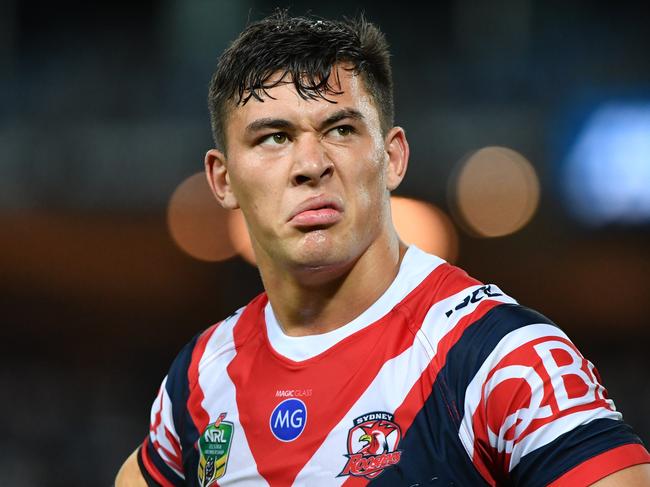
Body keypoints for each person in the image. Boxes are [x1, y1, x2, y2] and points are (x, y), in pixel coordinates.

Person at [116, 11, 650, 487]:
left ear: (392, 158)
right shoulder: (200, 378)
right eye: (274, 137)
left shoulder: (499, 357)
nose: (311, 164)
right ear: (223, 178)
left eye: (341, 129)